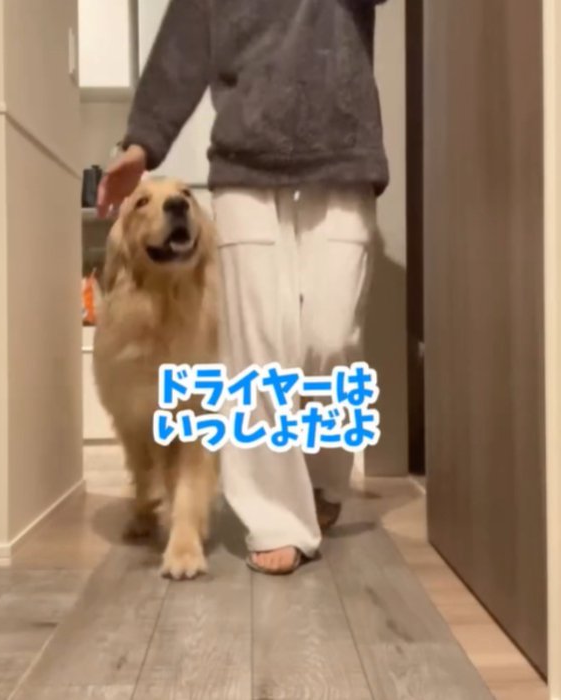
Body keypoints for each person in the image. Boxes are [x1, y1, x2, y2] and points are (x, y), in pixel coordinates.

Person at [98, 0, 389, 575]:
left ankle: (321, 476)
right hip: (244, 164)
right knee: (258, 351)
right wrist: (142, 142)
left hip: (344, 153)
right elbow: (183, 43)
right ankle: (276, 517)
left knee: (329, 336)